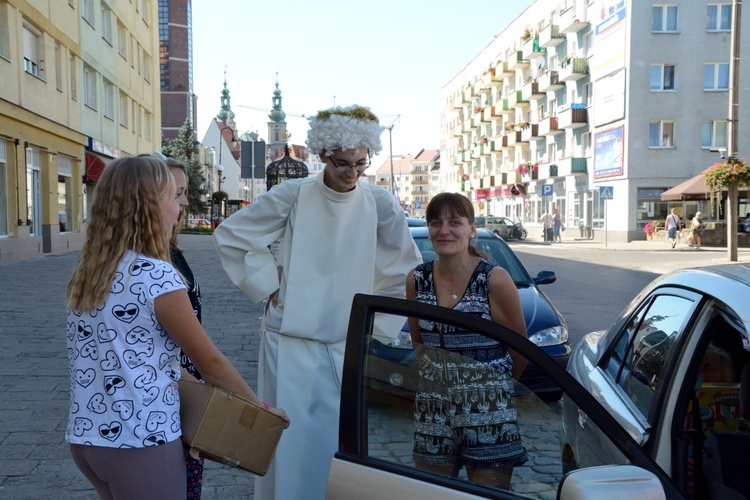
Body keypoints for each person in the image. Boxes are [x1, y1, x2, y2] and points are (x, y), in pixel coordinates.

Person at [213, 105, 422, 500]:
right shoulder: (294, 193)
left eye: (361, 163)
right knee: (285, 446)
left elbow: (403, 269)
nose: (352, 173)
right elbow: (232, 235)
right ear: (323, 155)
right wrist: (267, 281)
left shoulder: (379, 202)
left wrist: (371, 328)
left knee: (338, 449)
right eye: (342, 162)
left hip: (346, 343)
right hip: (288, 339)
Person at [65, 155, 289, 499]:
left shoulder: (93, 270)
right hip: (142, 437)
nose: (180, 207)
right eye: (173, 197)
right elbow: (209, 362)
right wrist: (261, 411)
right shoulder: (156, 275)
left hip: (88, 437)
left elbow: (138, 354)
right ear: (150, 206)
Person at [406, 193, 529, 490]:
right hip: (433, 406)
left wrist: (490, 388)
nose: (444, 230)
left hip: (487, 407)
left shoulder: (493, 279)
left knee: (489, 495)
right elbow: (419, 346)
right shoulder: (416, 279)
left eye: (455, 222)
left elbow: (522, 351)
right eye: (436, 222)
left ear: (472, 228)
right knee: (431, 493)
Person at [166, 158, 205, 499]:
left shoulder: (170, 250)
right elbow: (204, 354)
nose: (184, 201)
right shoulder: (153, 263)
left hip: (182, 390)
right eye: (176, 193)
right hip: (173, 395)